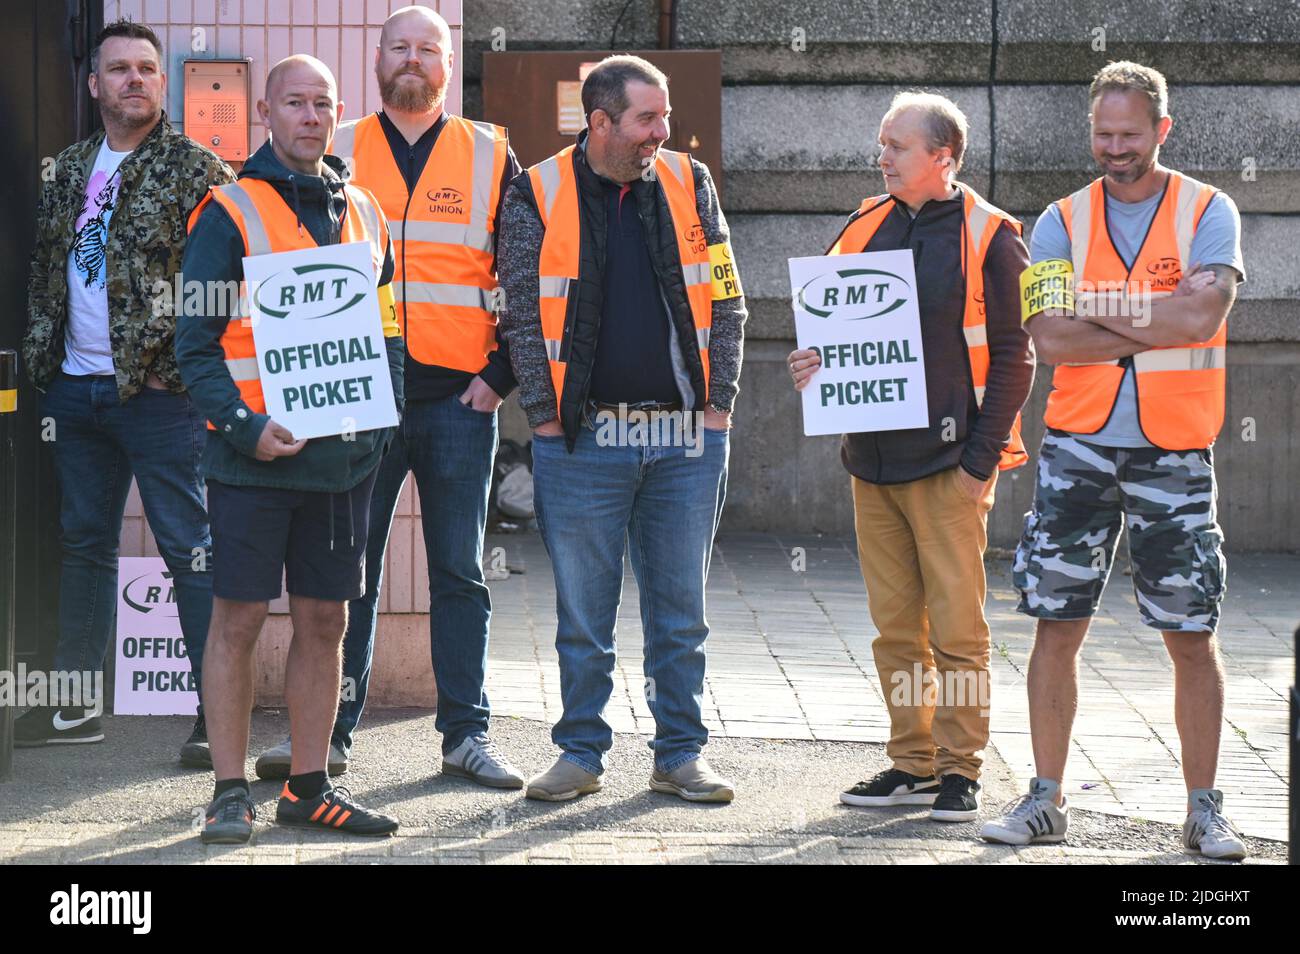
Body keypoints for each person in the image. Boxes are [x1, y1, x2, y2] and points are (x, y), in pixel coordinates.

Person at [980, 61, 1247, 860]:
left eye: (1131, 135)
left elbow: (1205, 316)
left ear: (1162, 130)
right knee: (1055, 625)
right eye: (1103, 134)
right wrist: (1155, 317)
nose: (1115, 148)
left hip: (1174, 448)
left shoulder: (1209, 209)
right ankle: (1045, 801)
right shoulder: (1060, 220)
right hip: (1078, 448)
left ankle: (1204, 810)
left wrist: (1104, 310)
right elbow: (1051, 339)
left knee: (1191, 631)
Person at [253, 5, 525, 788]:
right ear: (377, 61)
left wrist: (499, 376)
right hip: (352, 400)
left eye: (428, 50)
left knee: (460, 573)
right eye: (399, 48)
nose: (414, 61)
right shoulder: (333, 150)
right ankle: (329, 736)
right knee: (347, 573)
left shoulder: (491, 152)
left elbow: (528, 272)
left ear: (449, 64)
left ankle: (465, 737)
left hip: (457, 402)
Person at [497, 55, 747, 802]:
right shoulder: (534, 190)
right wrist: (542, 418)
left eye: (664, 118)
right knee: (583, 616)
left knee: (680, 615)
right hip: (582, 440)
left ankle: (680, 755)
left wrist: (719, 404)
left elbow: (727, 296)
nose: (662, 133)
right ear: (598, 121)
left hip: (684, 439)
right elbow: (517, 312)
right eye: (647, 119)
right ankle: (580, 754)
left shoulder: (689, 182)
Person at [176, 55, 404, 844]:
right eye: (295, 103)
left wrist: (384, 418)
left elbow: (389, 330)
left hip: (342, 464)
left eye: (323, 104)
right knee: (236, 620)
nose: (311, 117)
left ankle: (309, 787)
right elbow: (194, 347)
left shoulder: (368, 211)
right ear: (266, 111)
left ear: (337, 114)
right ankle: (229, 789)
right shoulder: (228, 211)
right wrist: (245, 428)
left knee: (326, 621)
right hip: (252, 460)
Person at [788, 92, 1034, 822]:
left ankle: (960, 770)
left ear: (943, 157)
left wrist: (980, 462)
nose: (882, 156)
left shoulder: (993, 235)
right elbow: (825, 332)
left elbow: (1019, 355)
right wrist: (811, 365)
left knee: (957, 632)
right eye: (882, 143)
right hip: (873, 462)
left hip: (950, 465)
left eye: (897, 145)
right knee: (897, 630)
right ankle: (912, 762)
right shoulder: (864, 223)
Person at [20, 20, 231, 765]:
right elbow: (53, 270)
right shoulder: (71, 166)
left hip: (158, 396)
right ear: (94, 84)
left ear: (161, 82)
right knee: (85, 546)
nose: (134, 79)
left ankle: (218, 713)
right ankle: (75, 707)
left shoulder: (197, 170)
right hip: (74, 391)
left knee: (189, 550)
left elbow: (230, 281)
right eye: (119, 69)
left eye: (146, 68)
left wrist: (185, 373)